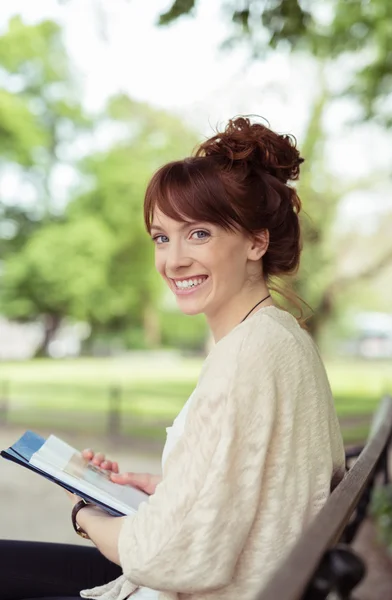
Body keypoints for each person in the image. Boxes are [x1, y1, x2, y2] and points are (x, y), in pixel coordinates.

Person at [1, 116, 345, 600]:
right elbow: (252, 486)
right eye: (162, 237)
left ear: (256, 241)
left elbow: (168, 556)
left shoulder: (247, 357)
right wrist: (160, 488)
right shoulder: (278, 338)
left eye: (199, 234)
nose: (173, 260)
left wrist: (86, 513)